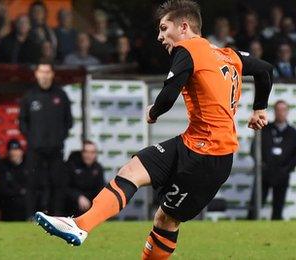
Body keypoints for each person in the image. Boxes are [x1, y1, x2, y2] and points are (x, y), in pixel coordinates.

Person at [34, 1, 273, 257]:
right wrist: (259, 108)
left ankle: (82, 225)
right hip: (193, 143)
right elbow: (265, 70)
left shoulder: (188, 48)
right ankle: (80, 225)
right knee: (132, 170)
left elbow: (168, 95)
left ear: (183, 27)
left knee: (166, 220)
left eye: (163, 28)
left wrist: (153, 112)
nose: (159, 37)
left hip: (209, 157)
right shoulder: (227, 54)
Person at [19, 63, 72, 216]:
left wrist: (59, 138)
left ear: (52, 74)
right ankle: (32, 216)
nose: (44, 75)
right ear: (36, 74)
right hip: (35, 150)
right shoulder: (29, 96)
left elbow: (68, 121)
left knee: (57, 184)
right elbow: (22, 122)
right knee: (32, 184)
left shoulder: (61, 95)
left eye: (48, 72)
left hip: (56, 149)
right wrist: (32, 139)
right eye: (42, 72)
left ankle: (57, 217)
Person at [248, 100, 296, 220]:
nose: (281, 113)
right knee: (255, 206)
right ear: (274, 111)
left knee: (278, 208)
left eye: (283, 110)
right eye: (278, 110)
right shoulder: (264, 129)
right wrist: (261, 165)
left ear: (287, 112)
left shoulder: (293, 133)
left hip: (282, 175)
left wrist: (287, 169)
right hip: (264, 173)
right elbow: (254, 148)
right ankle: (248, 229)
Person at [65, 140, 104, 216]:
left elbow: (100, 189)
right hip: (71, 206)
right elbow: (65, 187)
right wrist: (78, 197)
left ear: (95, 154)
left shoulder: (98, 168)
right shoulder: (71, 165)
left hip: (91, 206)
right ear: (82, 153)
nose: (89, 155)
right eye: (86, 152)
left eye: (92, 152)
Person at [0, 139, 29, 221]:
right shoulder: (3, 164)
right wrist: (19, 191)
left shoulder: (29, 163)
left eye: (16, 150)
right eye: (12, 150)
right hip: (9, 202)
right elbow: (2, 188)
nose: (14, 153)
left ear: (21, 151)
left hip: (26, 202)